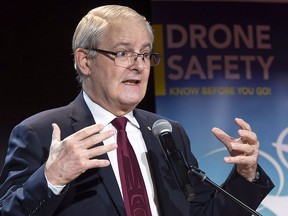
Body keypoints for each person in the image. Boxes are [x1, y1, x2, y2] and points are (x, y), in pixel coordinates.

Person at [0, 5, 274, 216]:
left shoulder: (167, 132)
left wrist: (246, 175)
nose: (139, 65)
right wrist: (52, 179)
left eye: (144, 54)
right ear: (85, 61)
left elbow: (201, 212)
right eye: (123, 53)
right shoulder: (40, 133)